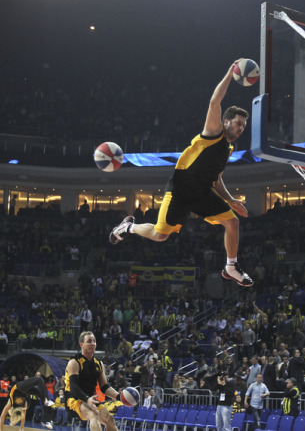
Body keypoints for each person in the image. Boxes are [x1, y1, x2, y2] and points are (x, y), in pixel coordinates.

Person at [108, 60, 253, 288]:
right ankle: (128, 227)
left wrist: (231, 200)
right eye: (237, 123)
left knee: (233, 223)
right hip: (180, 191)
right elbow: (215, 101)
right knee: (159, 235)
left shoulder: (228, 149)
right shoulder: (213, 133)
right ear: (226, 122)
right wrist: (229, 73)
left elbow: (217, 180)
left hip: (202, 193)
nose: (240, 128)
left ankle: (231, 267)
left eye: (243, 126)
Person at [63, 331, 121, 431]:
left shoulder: (99, 364)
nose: (93, 343)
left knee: (109, 419)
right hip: (74, 399)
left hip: (90, 399)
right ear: (81, 344)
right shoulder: (74, 362)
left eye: (94, 341)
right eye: (89, 341)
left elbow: (104, 387)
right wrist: (87, 399)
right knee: (94, 414)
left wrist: (119, 397)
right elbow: (73, 387)